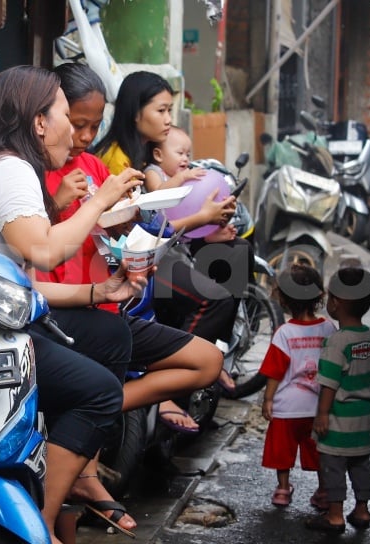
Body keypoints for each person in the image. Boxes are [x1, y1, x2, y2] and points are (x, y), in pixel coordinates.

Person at [0, 65, 145, 544]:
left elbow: (23, 283)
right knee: (99, 393)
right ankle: (42, 516)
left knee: (110, 334)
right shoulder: (9, 168)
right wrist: (100, 201)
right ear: (39, 122)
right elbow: (43, 250)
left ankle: (70, 461)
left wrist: (99, 293)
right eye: (64, 114)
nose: (76, 133)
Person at [34, 62, 225, 535]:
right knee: (66, 517)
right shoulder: (30, 175)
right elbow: (32, 248)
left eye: (93, 126)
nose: (83, 136)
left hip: (105, 303)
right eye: (77, 124)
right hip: (64, 312)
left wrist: (129, 232)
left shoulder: (97, 166)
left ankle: (91, 434)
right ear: (46, 115)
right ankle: (79, 476)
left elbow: (109, 234)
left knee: (206, 364)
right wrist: (57, 202)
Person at [95, 70, 247, 386]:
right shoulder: (116, 161)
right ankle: (173, 382)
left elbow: (161, 217)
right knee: (215, 298)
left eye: (169, 111)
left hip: (155, 254)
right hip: (128, 264)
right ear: (136, 113)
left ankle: (206, 364)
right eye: (161, 110)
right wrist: (201, 218)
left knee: (237, 255)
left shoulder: (141, 156)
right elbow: (136, 230)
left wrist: (208, 223)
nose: (168, 119)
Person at [306, 267, 370, 534]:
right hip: (362, 421)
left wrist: (322, 415)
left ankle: (335, 515)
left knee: (333, 467)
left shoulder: (336, 342)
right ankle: (362, 510)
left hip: (338, 421)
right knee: (361, 464)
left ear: (335, 304)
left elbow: (328, 383)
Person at [259, 264, 336, 509]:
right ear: (319, 296)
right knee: (319, 450)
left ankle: (283, 489)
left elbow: (274, 371)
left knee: (282, 451)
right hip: (318, 407)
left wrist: (268, 399)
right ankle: (323, 490)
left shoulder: (284, 332)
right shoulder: (327, 329)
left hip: (287, 408)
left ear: (283, 298)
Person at [142, 125, 206, 192]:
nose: (185, 159)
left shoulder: (178, 173)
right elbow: (156, 193)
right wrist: (181, 178)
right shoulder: (152, 172)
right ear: (158, 155)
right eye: (180, 153)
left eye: (188, 155)